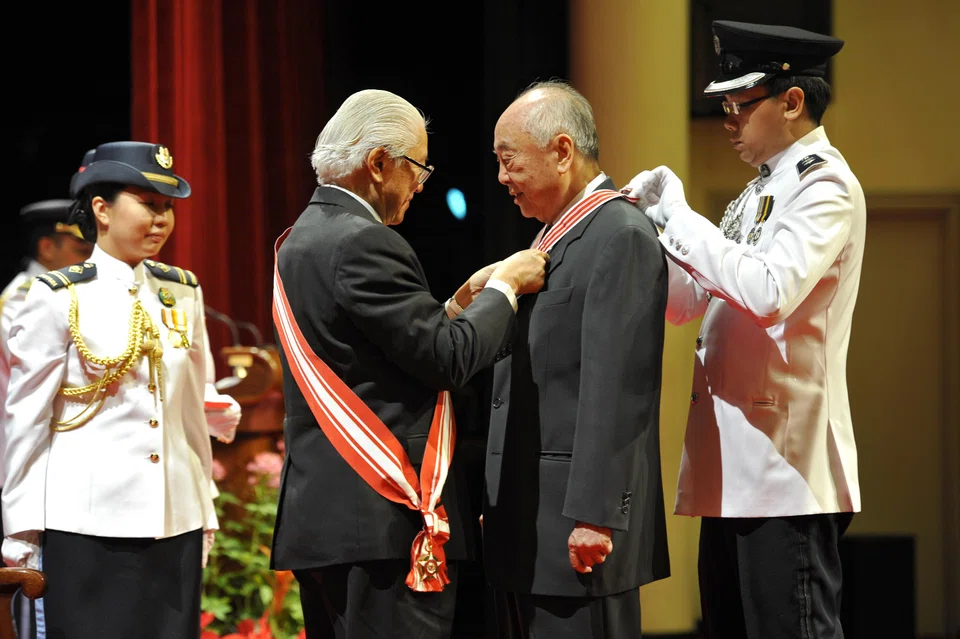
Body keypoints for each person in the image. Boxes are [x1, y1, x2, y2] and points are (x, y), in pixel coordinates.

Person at [270, 88, 549, 639]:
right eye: (417, 168)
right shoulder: (366, 242)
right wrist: (505, 287)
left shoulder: (300, 238)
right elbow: (448, 361)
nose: (421, 185)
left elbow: (372, 351)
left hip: (325, 522)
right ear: (378, 164)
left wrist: (454, 307)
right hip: (381, 525)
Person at [621, 20, 864, 639]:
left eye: (739, 104)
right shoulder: (756, 194)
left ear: (792, 101)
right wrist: (651, 231)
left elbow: (768, 292)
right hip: (733, 469)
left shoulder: (824, 184)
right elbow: (686, 305)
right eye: (724, 105)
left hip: (785, 472)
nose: (727, 119)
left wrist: (680, 215)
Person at [2, 141, 238, 639]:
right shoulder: (57, 295)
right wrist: (20, 530)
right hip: (86, 525)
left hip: (176, 519)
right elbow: (25, 419)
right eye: (148, 205)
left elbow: (191, 411)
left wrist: (204, 506)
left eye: (168, 208)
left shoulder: (182, 291)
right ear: (101, 210)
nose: (161, 220)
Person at [482, 80, 670, 639]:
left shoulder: (620, 234)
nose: (501, 178)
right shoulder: (556, 238)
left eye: (508, 159)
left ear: (562, 152)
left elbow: (618, 386)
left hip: (577, 532)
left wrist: (596, 514)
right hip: (529, 524)